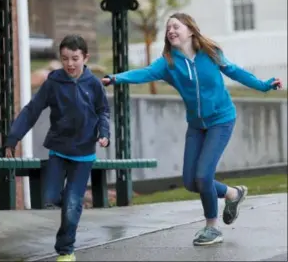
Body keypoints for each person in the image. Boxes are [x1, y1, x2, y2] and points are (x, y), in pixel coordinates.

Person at [102, 13, 283, 246]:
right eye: (168, 28)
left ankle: (212, 227)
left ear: (189, 30)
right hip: (197, 126)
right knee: (190, 181)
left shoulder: (210, 53)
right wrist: (115, 78)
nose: (171, 31)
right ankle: (232, 194)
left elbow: (236, 72)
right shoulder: (167, 63)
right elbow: (143, 73)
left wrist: (263, 85)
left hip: (221, 120)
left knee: (203, 176)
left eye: (176, 26)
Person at [5, 34, 110, 261]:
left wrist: (104, 134)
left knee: (72, 203)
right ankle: (74, 206)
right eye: (65, 59)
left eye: (75, 58)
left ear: (85, 57)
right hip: (59, 150)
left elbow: (103, 111)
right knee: (51, 196)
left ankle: (66, 250)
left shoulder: (93, 84)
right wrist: (13, 137)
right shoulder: (54, 82)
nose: (70, 64)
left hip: (83, 154)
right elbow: (33, 109)